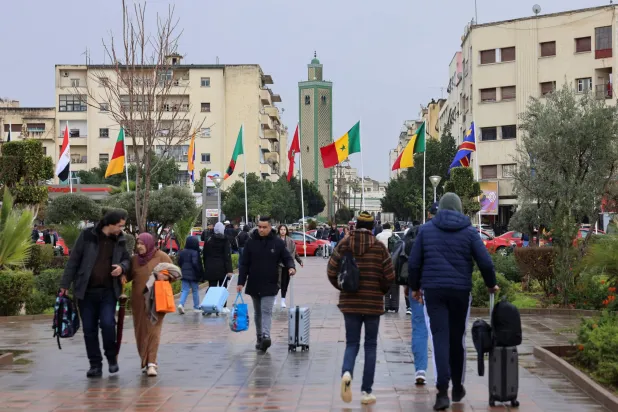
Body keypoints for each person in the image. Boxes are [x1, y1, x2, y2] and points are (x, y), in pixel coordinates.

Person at [408, 193, 498, 411]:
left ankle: (442, 393)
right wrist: (490, 284)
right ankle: (457, 387)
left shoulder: (426, 230)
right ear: (459, 209)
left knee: (440, 338)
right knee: (456, 340)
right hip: (460, 291)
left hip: (434, 292)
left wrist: (415, 288)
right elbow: (485, 262)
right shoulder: (469, 232)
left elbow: (413, 262)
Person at [327, 211, 395, 405]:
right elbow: (390, 276)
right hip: (373, 303)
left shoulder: (344, 244)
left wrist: (342, 287)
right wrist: (380, 290)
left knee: (352, 343)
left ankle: (347, 372)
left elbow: (331, 270)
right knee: (371, 345)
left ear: (356, 225)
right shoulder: (379, 248)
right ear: (373, 226)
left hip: (350, 303)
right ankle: (366, 391)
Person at [59, 210, 131, 378]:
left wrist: (122, 267)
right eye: (120, 225)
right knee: (89, 330)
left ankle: (111, 358)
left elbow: (127, 259)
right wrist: (64, 284)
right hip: (86, 292)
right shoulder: (87, 235)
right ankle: (95, 365)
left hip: (108, 291)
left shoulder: (120, 240)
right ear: (110, 224)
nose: (122, 229)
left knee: (107, 324)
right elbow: (74, 261)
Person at [237, 216, 295, 352]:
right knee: (258, 312)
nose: (261, 229)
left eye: (264, 227)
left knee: (266, 310)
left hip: (270, 282)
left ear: (270, 227)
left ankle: (266, 335)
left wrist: (291, 267)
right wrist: (241, 282)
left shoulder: (277, 243)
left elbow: (287, 257)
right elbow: (244, 264)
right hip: (254, 282)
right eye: (259, 227)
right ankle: (259, 337)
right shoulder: (250, 242)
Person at [126, 233, 174, 377]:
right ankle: (145, 360)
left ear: (149, 243)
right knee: (140, 331)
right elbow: (126, 277)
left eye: (142, 243)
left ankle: (151, 363)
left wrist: (164, 276)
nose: (139, 246)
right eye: (137, 243)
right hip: (138, 301)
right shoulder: (134, 260)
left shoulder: (162, 256)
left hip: (156, 300)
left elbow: (176, 273)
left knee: (153, 330)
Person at [203, 222, 234, 314]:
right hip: (222, 268)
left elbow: (205, 255)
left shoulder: (208, 240)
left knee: (211, 287)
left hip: (210, 268)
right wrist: (229, 270)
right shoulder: (225, 240)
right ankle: (223, 307)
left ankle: (209, 307)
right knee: (222, 287)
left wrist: (206, 266)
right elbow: (227, 256)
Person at [274, 224, 303, 308]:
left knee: (285, 282)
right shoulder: (275, 240)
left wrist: (299, 261)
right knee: (277, 282)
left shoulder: (290, 241)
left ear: (286, 231)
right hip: (278, 264)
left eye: (284, 229)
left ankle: (283, 300)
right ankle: (274, 297)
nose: (283, 231)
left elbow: (295, 252)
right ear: (279, 230)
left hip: (287, 264)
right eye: (281, 229)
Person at [177, 236, 204, 314]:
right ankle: (196, 307)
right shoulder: (195, 252)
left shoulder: (182, 251)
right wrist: (199, 272)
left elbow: (179, 262)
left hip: (184, 274)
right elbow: (195, 263)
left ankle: (181, 304)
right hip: (193, 275)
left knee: (185, 290)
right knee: (195, 290)